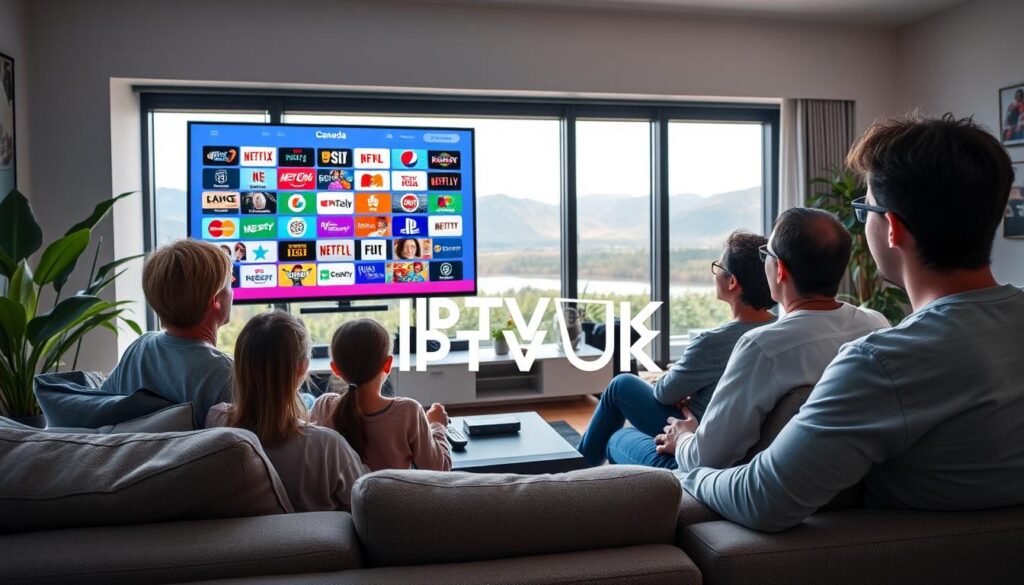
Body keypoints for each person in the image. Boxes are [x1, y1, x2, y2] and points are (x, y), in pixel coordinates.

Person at [679, 113, 1024, 533]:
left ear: (892, 228)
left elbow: (763, 497)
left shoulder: (881, 362)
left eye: (865, 209)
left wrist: (689, 470)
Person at [653, 208, 890, 474]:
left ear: (780, 270)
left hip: (738, 479)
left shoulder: (762, 348)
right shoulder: (877, 324)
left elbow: (705, 459)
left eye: (767, 254)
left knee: (623, 438)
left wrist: (683, 437)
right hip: (842, 474)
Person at [576, 231, 777, 467]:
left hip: (699, 442)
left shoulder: (711, 343)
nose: (714, 274)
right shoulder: (781, 329)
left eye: (717, 267)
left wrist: (678, 389)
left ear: (732, 282)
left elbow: (664, 393)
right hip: (741, 444)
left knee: (619, 394)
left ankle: (570, 480)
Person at [206, 312, 367, 512]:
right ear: (303, 368)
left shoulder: (217, 421)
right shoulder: (328, 446)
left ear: (240, 366)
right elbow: (366, 507)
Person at [100, 239, 234, 428]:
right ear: (215, 300)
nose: (233, 290)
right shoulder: (228, 373)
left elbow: (101, 407)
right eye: (230, 284)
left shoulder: (138, 348)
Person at [310, 318, 452, 472]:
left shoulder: (323, 406)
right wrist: (437, 426)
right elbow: (439, 470)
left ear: (335, 369)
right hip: (391, 497)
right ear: (388, 364)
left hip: (342, 497)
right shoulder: (408, 412)